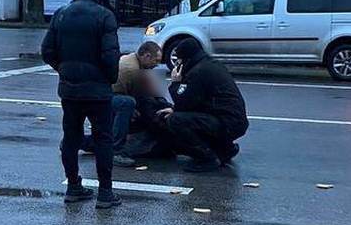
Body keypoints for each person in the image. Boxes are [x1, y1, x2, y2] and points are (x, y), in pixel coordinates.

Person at [41, 0, 122, 209]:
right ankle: (105, 192)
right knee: (103, 138)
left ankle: (73, 186)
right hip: (98, 91)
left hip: (70, 89)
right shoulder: (104, 16)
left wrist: (63, 69)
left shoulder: (61, 14)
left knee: (71, 137)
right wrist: (109, 78)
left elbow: (47, 51)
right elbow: (110, 56)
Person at [157, 38, 249, 173]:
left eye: (179, 60)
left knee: (176, 120)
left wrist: (175, 82)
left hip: (226, 124)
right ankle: (225, 149)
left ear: (186, 59)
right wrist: (174, 108)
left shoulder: (197, 72)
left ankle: (206, 158)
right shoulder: (211, 65)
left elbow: (184, 102)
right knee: (191, 118)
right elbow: (198, 101)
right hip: (234, 121)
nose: (177, 64)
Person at [82, 41, 163, 166]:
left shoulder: (132, 59)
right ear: (146, 56)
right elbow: (142, 97)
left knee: (111, 130)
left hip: (100, 95)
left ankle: (78, 141)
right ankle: (116, 151)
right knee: (127, 104)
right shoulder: (133, 69)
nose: (157, 65)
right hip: (98, 98)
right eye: (156, 61)